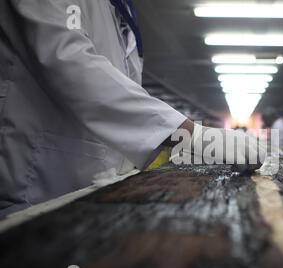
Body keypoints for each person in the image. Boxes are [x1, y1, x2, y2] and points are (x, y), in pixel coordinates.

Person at [0, 0, 264, 216]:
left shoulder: (119, 10)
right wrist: (191, 134)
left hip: (93, 188)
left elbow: (125, 91)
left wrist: (175, 152)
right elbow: (68, 61)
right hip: (35, 187)